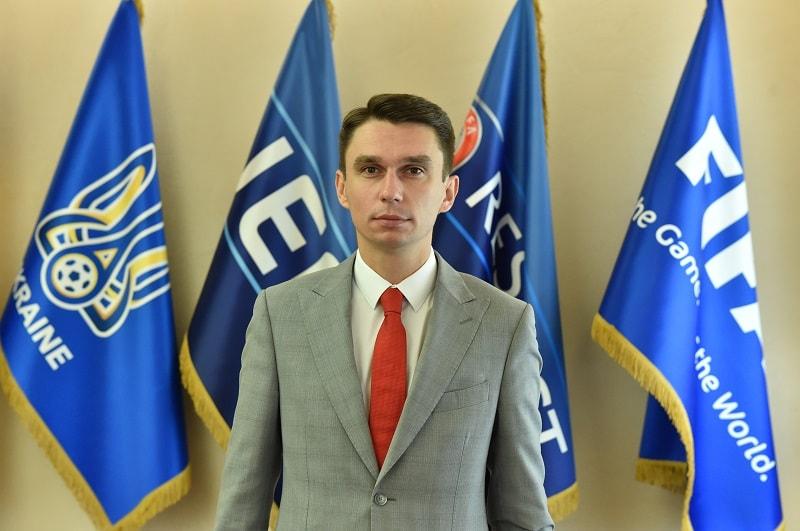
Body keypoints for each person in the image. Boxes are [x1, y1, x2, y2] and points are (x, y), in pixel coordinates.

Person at [215, 93, 554, 530]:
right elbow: (244, 497)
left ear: (448, 191)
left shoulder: (504, 324)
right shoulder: (280, 315)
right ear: (342, 187)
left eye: (414, 170)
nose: (390, 191)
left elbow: (522, 511)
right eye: (371, 169)